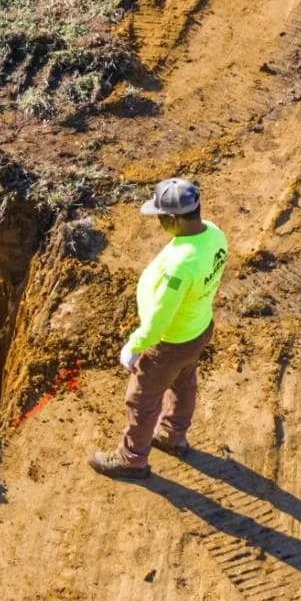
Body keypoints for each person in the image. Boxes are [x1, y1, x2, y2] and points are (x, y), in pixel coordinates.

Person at [90, 177, 226, 480]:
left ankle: (131, 460)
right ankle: (172, 435)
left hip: (169, 341)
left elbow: (158, 322)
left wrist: (134, 345)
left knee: (142, 398)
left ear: (174, 218)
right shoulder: (214, 233)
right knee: (183, 382)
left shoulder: (180, 267)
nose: (159, 223)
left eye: (161, 217)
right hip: (198, 329)